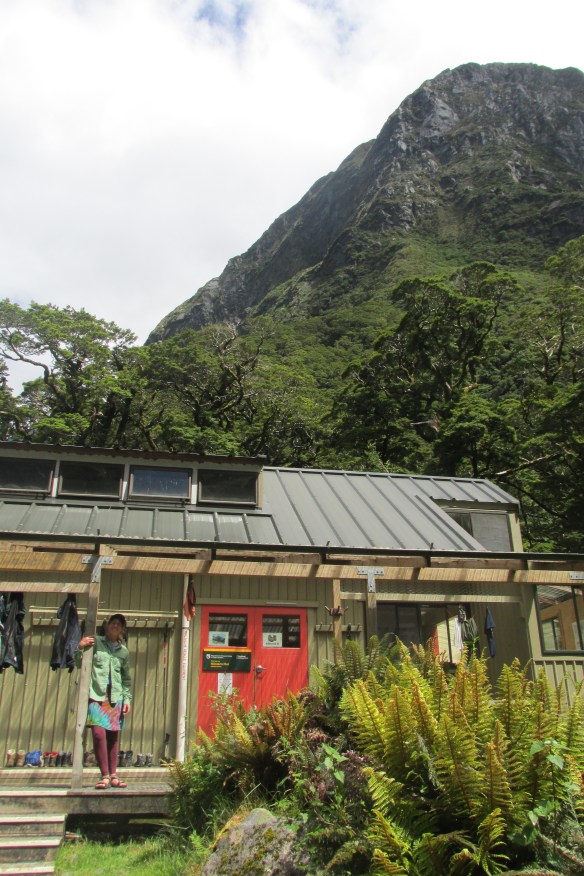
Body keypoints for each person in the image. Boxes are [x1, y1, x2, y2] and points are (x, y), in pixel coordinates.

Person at [76, 613, 132, 789]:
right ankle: (105, 775)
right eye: (112, 623)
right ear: (107, 626)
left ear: (122, 630)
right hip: (97, 694)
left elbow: (126, 678)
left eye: (119, 624)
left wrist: (127, 699)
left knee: (113, 736)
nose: (115, 625)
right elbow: (80, 663)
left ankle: (113, 775)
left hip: (115, 697)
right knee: (99, 734)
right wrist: (80, 647)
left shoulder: (124, 652)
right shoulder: (96, 642)